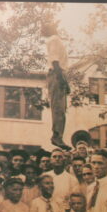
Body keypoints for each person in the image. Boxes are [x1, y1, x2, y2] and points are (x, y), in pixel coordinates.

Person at [43, 19, 70, 148]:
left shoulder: (55, 40)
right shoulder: (53, 39)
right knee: (58, 108)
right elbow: (54, 61)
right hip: (56, 74)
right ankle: (57, 136)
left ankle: (59, 136)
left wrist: (65, 81)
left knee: (61, 108)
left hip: (60, 74)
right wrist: (61, 78)